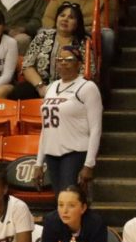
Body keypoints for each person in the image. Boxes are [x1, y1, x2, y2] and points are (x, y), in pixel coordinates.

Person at [33, 43, 102, 194]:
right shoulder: (51, 87)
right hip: (52, 153)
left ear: (79, 63)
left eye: (69, 59)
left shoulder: (87, 88)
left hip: (75, 152)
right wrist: (39, 163)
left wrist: (89, 164)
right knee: (60, 200)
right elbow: (46, 128)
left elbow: (96, 128)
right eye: (59, 59)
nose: (63, 63)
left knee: (71, 198)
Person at [42, 0, 118, 65]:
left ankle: (103, 73)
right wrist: (62, 32)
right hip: (59, 32)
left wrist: (74, 30)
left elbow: (102, 25)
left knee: (108, 35)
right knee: (42, 32)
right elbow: (48, 18)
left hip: (87, 36)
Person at [12, 1, 90, 101]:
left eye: (71, 17)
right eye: (62, 15)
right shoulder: (43, 36)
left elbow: (87, 72)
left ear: (77, 24)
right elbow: (27, 65)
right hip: (42, 86)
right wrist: (40, 87)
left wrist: (64, 89)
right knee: (19, 91)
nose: (65, 19)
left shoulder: (84, 42)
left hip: (71, 88)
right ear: (56, 18)